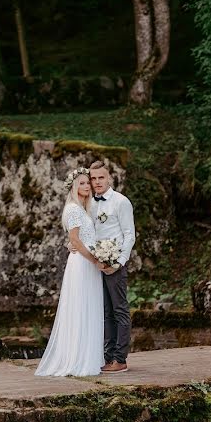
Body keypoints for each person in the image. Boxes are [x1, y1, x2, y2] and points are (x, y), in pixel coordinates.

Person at [35, 167, 104, 377]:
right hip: (83, 263)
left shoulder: (84, 209)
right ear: (74, 187)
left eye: (87, 183)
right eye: (81, 183)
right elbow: (75, 239)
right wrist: (94, 259)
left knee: (89, 307)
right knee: (80, 307)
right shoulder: (73, 209)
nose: (86, 186)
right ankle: (76, 358)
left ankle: (88, 354)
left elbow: (77, 238)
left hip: (87, 262)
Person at [88, 160, 136, 374]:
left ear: (109, 178)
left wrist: (119, 262)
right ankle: (108, 357)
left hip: (116, 263)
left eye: (101, 177)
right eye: (93, 178)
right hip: (96, 264)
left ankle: (120, 358)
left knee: (119, 310)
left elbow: (129, 235)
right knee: (105, 312)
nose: (97, 182)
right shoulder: (90, 203)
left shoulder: (121, 202)